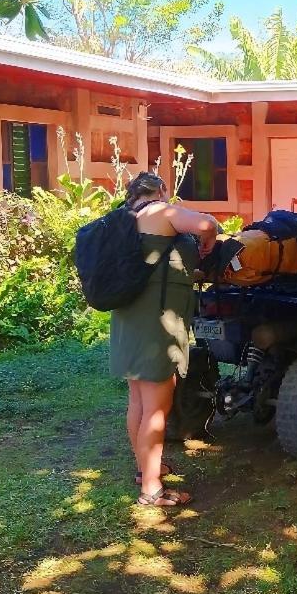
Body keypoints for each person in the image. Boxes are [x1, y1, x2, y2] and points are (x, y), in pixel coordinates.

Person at [110, 172, 220, 507]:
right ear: (161, 190)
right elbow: (205, 224)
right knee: (157, 407)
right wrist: (210, 240)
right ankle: (152, 490)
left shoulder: (126, 219)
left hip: (128, 317)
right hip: (156, 323)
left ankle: (145, 469)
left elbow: (156, 267)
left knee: (139, 402)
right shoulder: (161, 212)